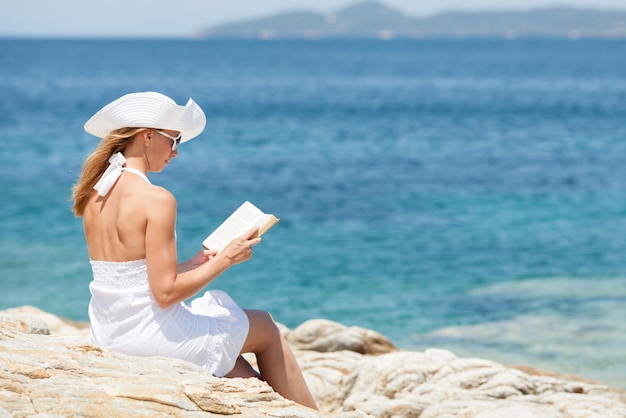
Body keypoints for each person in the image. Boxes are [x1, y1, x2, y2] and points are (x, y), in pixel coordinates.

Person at [71, 91, 317, 410]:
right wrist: (227, 259)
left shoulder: (94, 194)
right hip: (148, 337)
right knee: (265, 326)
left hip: (109, 333)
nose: (175, 152)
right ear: (147, 137)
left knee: (242, 376)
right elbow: (166, 293)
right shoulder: (157, 199)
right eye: (174, 140)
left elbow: (127, 276)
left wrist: (193, 263)